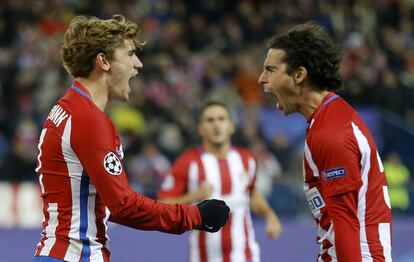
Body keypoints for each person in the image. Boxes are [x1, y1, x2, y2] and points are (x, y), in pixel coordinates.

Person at [33, 15, 230, 262]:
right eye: (130, 54)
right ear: (103, 61)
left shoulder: (65, 109)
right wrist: (194, 216)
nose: (138, 64)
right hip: (76, 256)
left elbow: (102, 201)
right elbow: (123, 205)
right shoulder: (88, 120)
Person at [258, 22, 392, 261]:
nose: (261, 79)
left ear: (299, 75)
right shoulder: (329, 118)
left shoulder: (331, 133)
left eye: (270, 70)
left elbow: (345, 221)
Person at [158, 101, 282, 262]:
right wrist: (194, 196)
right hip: (204, 256)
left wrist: (270, 216)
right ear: (200, 128)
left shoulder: (247, 159)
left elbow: (251, 194)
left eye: (221, 119)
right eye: (210, 120)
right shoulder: (188, 162)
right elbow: (163, 204)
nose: (216, 125)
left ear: (231, 126)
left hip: (245, 254)